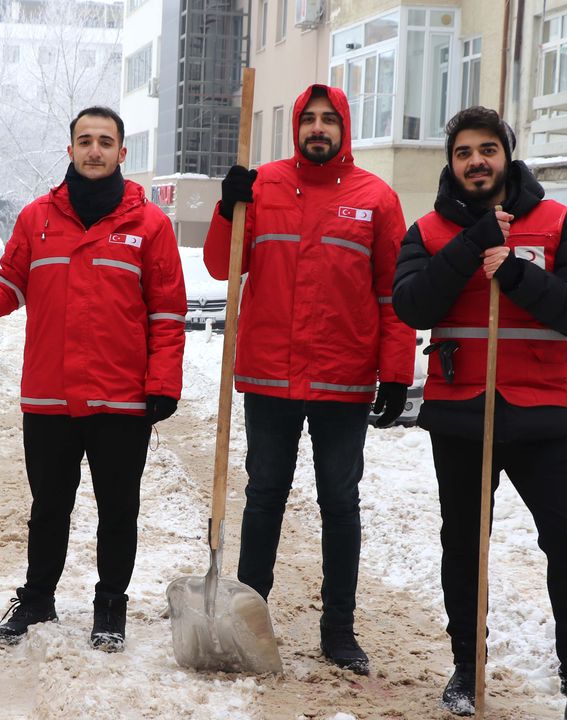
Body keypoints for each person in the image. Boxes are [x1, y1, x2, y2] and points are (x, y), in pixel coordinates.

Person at [391, 106, 567, 719]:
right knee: (465, 547)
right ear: (451, 163)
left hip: (541, 415)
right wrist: (471, 245)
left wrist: (515, 272)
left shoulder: (559, 223)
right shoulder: (427, 232)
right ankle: (467, 668)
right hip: (461, 415)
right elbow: (412, 305)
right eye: (464, 152)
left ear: (507, 156)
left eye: (487, 149)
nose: (476, 161)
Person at [0, 106, 185, 653]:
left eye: (105, 141)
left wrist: (164, 381)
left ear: (122, 152)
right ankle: (38, 598)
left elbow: (167, 313)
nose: (94, 150)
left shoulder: (151, 225)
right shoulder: (37, 219)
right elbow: (9, 286)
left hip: (121, 398)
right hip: (49, 395)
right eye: (85, 140)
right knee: (48, 508)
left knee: (118, 510)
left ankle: (110, 605)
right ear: (70, 150)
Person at [203, 84, 415, 675]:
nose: (317, 129)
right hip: (269, 374)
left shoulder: (377, 198)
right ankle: (250, 619)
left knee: (340, 504)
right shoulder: (263, 186)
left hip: (343, 377)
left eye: (329, 120)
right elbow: (222, 266)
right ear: (296, 128)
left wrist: (397, 372)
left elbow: (393, 294)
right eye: (308, 120)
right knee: (264, 496)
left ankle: (338, 629)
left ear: (344, 128)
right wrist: (227, 208)